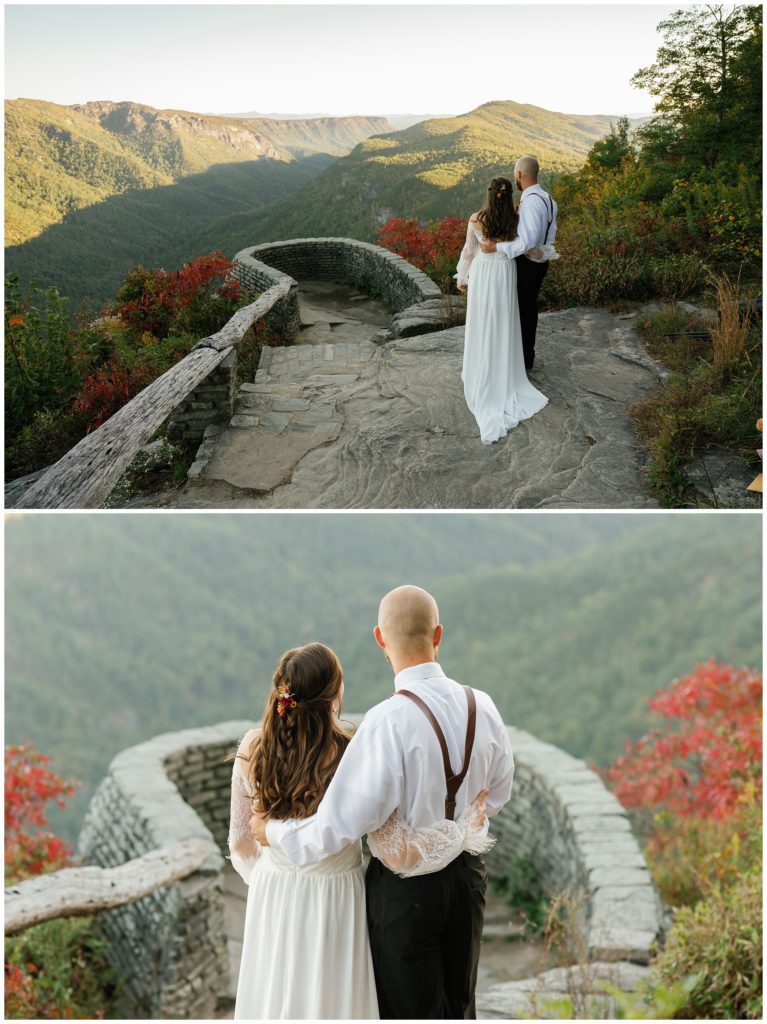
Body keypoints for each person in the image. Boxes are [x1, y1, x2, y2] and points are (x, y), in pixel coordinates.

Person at [250, 586, 515, 1019]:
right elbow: (499, 793)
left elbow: (334, 828)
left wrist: (272, 831)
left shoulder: (385, 722)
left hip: (405, 894)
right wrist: (454, 828)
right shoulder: (482, 706)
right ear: (438, 635)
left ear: (379, 639)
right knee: (461, 1005)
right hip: (468, 878)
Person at [456, 176, 549, 445]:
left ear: (489, 193)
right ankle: (503, 369)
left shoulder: (476, 218)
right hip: (505, 273)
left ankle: (479, 366)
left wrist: (463, 277)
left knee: (482, 320)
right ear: (508, 196)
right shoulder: (516, 220)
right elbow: (527, 247)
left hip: (484, 273)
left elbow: (468, 251)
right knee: (504, 321)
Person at [480, 156, 559, 371]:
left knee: (521, 311)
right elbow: (549, 234)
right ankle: (524, 357)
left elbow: (527, 242)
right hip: (541, 261)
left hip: (529, 264)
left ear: (520, 174)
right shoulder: (547, 199)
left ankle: (522, 360)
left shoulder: (532, 201)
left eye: (515, 172)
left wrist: (497, 247)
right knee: (528, 309)